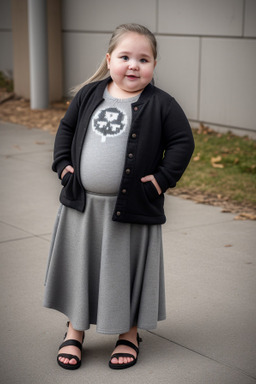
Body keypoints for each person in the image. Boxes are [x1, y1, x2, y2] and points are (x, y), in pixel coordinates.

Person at [44, 23, 194, 371]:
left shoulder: (162, 105)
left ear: (154, 65)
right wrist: (64, 166)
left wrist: (159, 181)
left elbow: (183, 143)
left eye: (143, 59)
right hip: (83, 206)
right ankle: (75, 330)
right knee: (80, 269)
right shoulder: (89, 94)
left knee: (124, 273)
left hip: (132, 208)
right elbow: (66, 129)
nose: (133, 65)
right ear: (109, 59)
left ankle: (128, 333)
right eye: (125, 57)